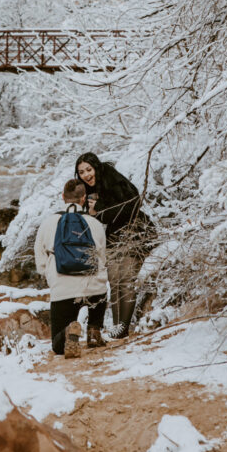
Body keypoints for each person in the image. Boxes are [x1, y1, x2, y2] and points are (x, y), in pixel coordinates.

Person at [75, 152, 155, 339]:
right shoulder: (87, 191)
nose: (86, 175)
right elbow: (98, 217)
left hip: (134, 232)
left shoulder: (111, 178)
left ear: (96, 168)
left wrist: (100, 209)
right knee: (114, 280)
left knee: (126, 279)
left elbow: (132, 203)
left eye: (89, 169)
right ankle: (117, 327)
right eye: (81, 172)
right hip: (113, 236)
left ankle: (122, 328)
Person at [34, 178, 108, 358]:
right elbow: (102, 259)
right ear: (84, 199)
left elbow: (40, 262)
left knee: (58, 347)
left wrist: (52, 277)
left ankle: (68, 332)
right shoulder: (95, 224)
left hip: (63, 290)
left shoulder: (48, 223)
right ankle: (94, 331)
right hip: (94, 289)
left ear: (62, 197)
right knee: (100, 290)